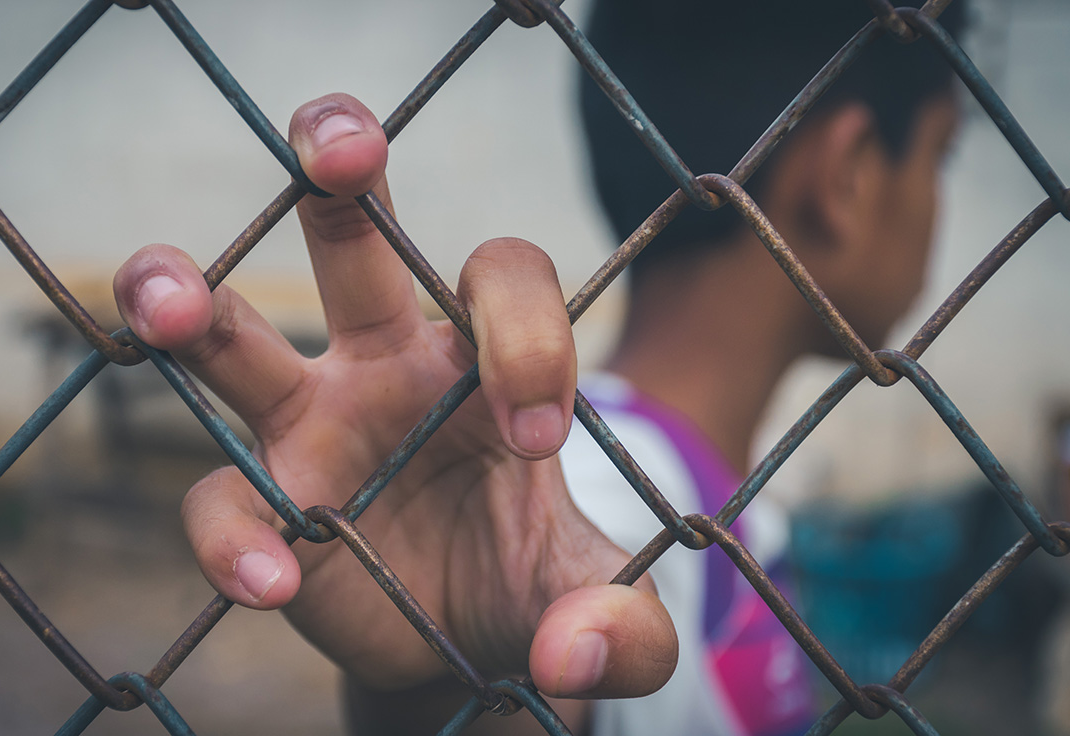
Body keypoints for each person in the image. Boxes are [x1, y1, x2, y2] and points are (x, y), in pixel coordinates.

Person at [111, 1, 963, 734]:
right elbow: (537, 602)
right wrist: (445, 676)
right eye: (938, 155)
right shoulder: (600, 490)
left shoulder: (712, 492)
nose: (939, 199)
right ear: (849, 177)